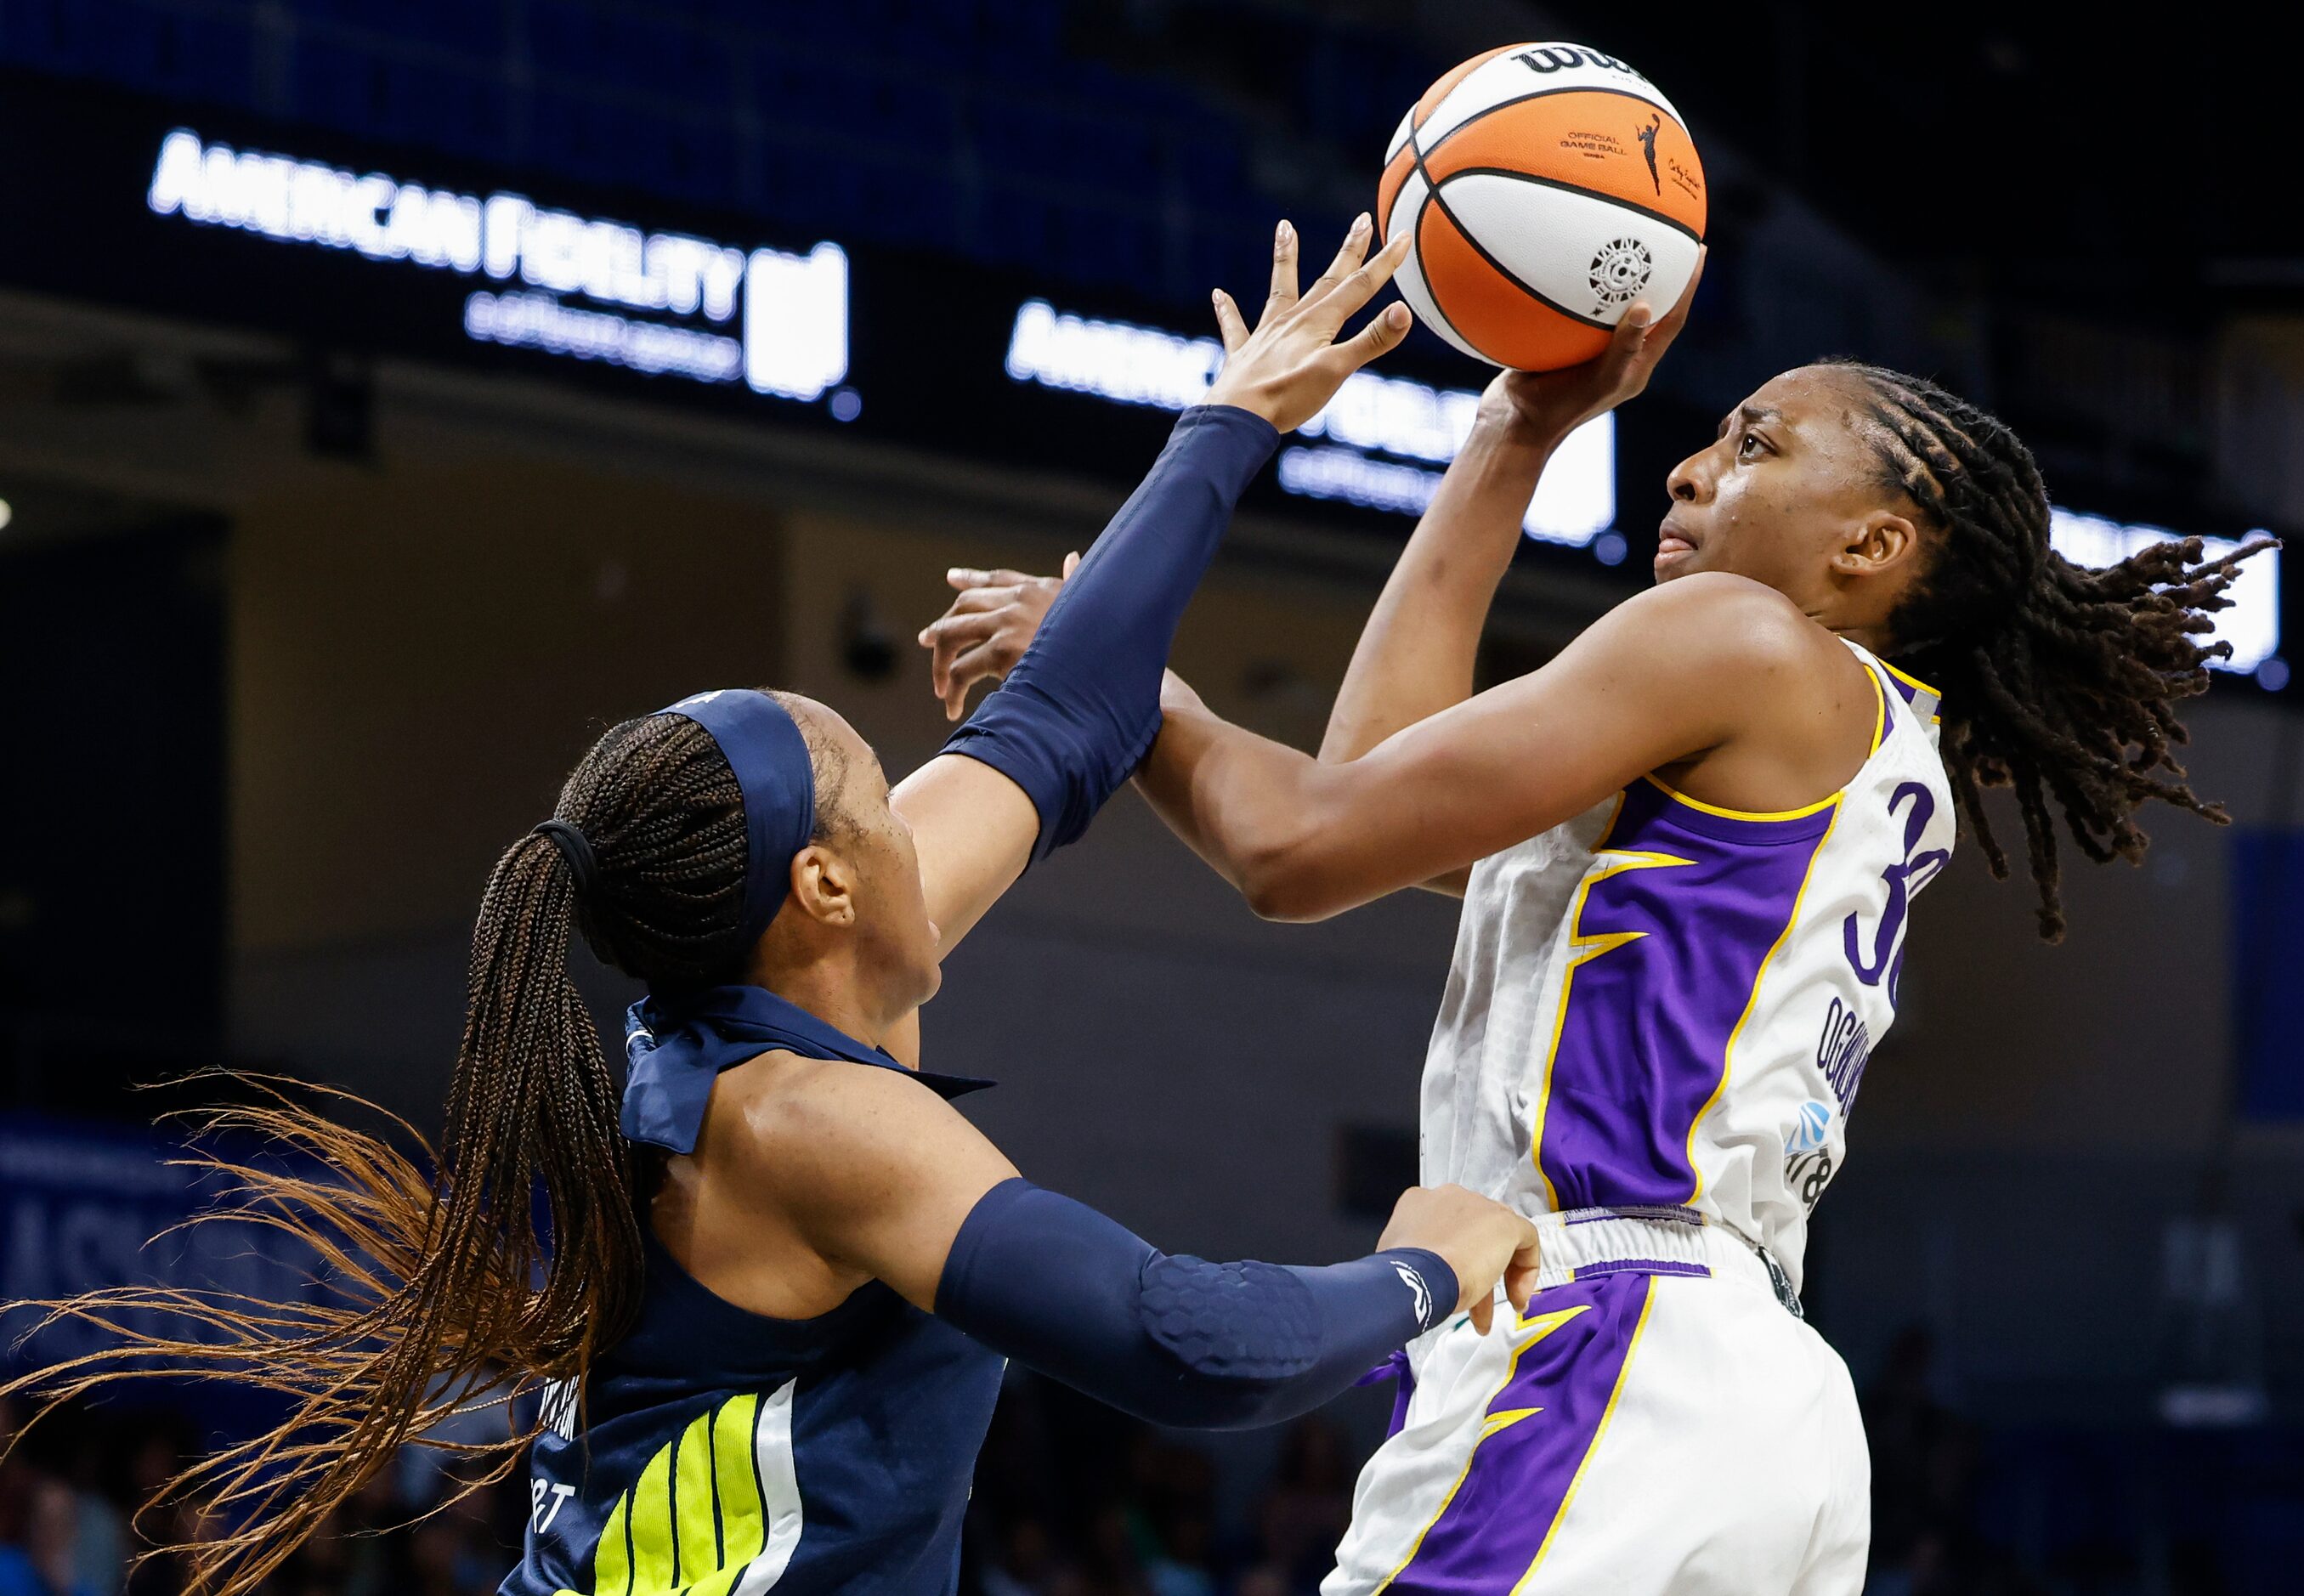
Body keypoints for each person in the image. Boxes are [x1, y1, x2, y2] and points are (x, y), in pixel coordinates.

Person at [1, 218, 1540, 1596]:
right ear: (823, 882)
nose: (924, 787)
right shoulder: (805, 1126)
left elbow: (1058, 722)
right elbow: (1180, 1346)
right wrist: (1426, 1258)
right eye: (881, 781)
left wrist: (1232, 416)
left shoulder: (780, 976)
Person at [922, 269, 2266, 1593]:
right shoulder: (1853, 754)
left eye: (1755, 443)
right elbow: (1377, 783)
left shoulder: (1738, 638)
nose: (1687, 469)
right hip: (1754, 1399)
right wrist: (1515, 428)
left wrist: (1121, 677)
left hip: (1601, 1348)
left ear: (1872, 544)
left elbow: (1298, 844)